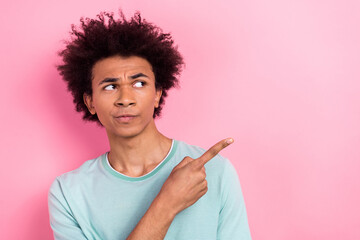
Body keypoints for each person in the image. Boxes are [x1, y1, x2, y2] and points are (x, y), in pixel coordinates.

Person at [48, 10, 251, 240]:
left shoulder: (215, 172)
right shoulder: (68, 194)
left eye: (139, 83)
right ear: (90, 102)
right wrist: (166, 204)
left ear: (156, 95)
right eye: (110, 86)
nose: (126, 98)